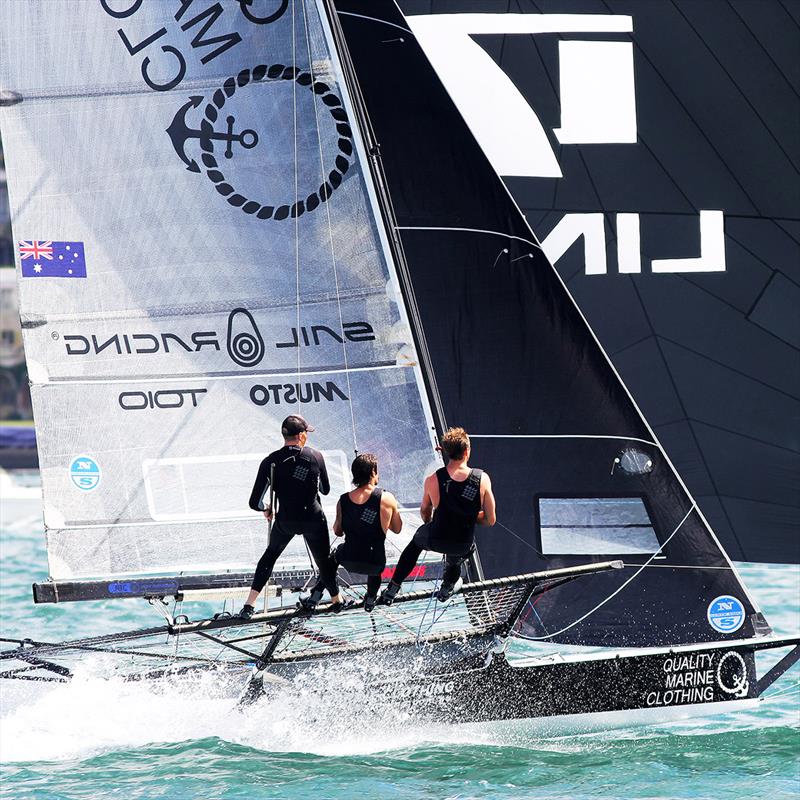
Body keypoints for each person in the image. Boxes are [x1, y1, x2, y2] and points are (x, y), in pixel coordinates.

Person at [238, 415, 342, 619]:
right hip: (313, 519)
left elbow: (254, 502)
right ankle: (336, 600)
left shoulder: (270, 461)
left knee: (270, 556)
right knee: (323, 560)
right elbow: (326, 489)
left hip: (286, 520)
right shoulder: (316, 456)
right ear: (302, 435)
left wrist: (266, 508)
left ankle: (249, 606)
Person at [379, 427, 495, 605]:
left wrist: (430, 523)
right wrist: (469, 516)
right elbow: (490, 520)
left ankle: (393, 587)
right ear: (466, 451)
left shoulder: (432, 479)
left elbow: (425, 512)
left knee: (415, 544)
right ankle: (447, 586)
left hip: (435, 537)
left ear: (447, 452)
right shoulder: (483, 479)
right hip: (462, 544)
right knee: (456, 556)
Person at [306, 453, 403, 612]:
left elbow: (338, 532)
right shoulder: (387, 498)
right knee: (375, 567)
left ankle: (316, 594)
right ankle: (370, 599)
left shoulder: (343, 500)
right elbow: (397, 529)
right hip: (375, 562)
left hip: (349, 559)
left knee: (331, 561)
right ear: (372, 472)